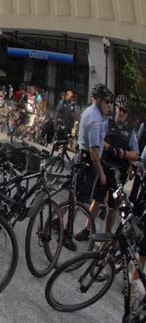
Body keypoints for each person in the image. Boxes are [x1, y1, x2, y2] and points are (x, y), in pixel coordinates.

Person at [76, 94, 139, 240]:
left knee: (112, 206)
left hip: (119, 173)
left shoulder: (130, 132)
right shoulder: (106, 124)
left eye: (124, 111)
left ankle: (107, 236)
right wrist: (111, 148)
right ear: (116, 109)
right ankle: (87, 229)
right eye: (120, 109)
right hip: (104, 167)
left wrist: (122, 153)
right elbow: (98, 139)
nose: (122, 113)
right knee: (97, 200)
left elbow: (135, 154)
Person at [73, 84, 114, 242]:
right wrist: (102, 173)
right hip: (88, 161)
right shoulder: (95, 119)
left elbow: (99, 142)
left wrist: (110, 147)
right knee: (79, 199)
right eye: (107, 101)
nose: (109, 105)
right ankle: (64, 229)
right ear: (99, 100)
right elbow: (94, 151)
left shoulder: (92, 112)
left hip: (83, 156)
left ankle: (59, 223)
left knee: (76, 197)